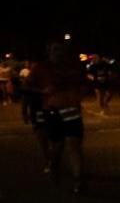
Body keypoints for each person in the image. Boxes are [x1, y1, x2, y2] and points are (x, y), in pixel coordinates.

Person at [30, 43, 87, 192]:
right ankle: (53, 165)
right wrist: (43, 90)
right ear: (48, 52)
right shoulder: (40, 68)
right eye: (54, 50)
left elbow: (85, 83)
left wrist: (80, 93)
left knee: (74, 144)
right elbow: (25, 86)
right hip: (53, 111)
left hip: (72, 110)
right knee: (58, 146)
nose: (58, 53)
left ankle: (78, 180)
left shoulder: (74, 66)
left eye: (61, 50)